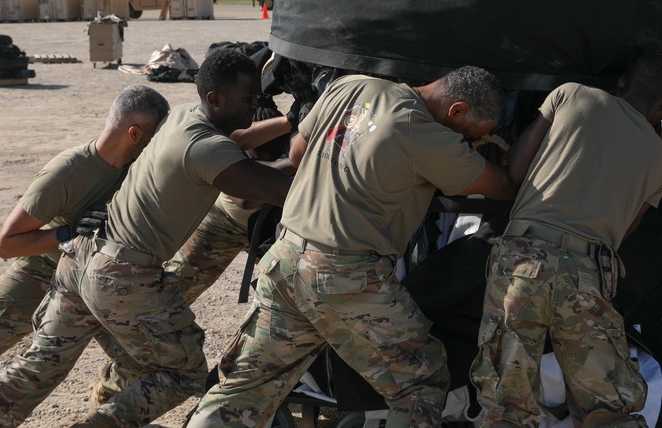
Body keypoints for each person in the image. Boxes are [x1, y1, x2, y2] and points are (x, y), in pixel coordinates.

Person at [0, 48, 293, 428]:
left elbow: (235, 135)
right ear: (216, 100)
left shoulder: (186, 115)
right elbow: (263, 188)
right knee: (183, 373)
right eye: (249, 99)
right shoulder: (204, 149)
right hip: (120, 274)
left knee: (39, 366)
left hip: (79, 261)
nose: (256, 106)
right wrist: (311, 149)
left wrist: (291, 122)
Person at [186, 66, 518, 428]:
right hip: (343, 273)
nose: (465, 142)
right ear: (456, 111)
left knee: (246, 387)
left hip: (286, 258)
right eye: (468, 134)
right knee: (420, 377)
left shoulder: (350, 86)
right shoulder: (423, 132)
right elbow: (500, 187)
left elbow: (297, 152)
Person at [470, 55, 662, 427]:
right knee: (609, 405)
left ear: (619, 83)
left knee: (506, 401)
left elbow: (516, 171)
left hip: (522, 262)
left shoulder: (571, 95)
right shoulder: (659, 164)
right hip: (587, 275)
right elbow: (625, 232)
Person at [90, 101, 293, 407]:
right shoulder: (231, 135)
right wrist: (293, 137)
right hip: (221, 224)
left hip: (272, 228)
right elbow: (243, 194)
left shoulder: (310, 133)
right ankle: (113, 392)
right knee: (160, 311)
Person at [0, 85, 169, 385]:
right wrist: (68, 232)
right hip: (41, 273)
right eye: (155, 136)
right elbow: (6, 245)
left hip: (100, 280)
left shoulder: (139, 168)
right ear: (135, 134)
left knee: (141, 361)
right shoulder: (67, 173)